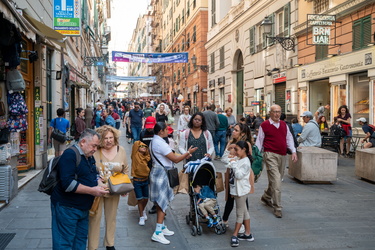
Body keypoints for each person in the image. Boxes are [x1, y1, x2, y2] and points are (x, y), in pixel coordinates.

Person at [51, 129, 109, 249]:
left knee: (80, 241)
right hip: (67, 207)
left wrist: (99, 182)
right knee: (64, 243)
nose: (95, 149)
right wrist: (93, 191)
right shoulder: (70, 154)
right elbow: (67, 184)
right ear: (82, 142)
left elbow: (93, 175)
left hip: (83, 208)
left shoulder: (89, 156)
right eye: (94, 146)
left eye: (97, 146)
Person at [149, 122, 198, 245]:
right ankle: (158, 232)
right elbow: (175, 159)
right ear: (161, 131)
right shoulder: (160, 143)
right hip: (162, 173)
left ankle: (162, 227)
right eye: (166, 130)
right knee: (162, 202)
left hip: (157, 172)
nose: (168, 132)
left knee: (161, 202)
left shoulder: (154, 141)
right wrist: (187, 153)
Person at [88, 126, 128, 250]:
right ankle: (92, 247)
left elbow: (125, 169)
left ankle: (110, 244)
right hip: (97, 191)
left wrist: (124, 187)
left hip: (114, 190)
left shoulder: (120, 150)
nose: (109, 140)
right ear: (100, 139)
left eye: (111, 138)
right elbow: (88, 169)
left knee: (111, 218)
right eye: (105, 138)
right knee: (94, 218)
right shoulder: (95, 151)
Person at [255, 105, 298, 218]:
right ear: (270, 113)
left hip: (283, 155)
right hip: (269, 155)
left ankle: (266, 197)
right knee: (277, 180)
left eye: (279, 112)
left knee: (275, 180)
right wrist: (256, 156)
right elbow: (259, 141)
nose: (277, 114)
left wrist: (293, 152)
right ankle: (277, 207)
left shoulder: (284, 125)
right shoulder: (264, 125)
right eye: (274, 112)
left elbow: (289, 139)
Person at [221, 123, 252, 229]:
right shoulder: (231, 143)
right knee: (230, 197)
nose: (233, 131)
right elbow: (225, 159)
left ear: (242, 133)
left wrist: (232, 159)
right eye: (233, 130)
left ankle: (243, 224)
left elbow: (244, 160)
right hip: (230, 174)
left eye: (236, 130)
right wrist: (229, 153)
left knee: (243, 198)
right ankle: (225, 220)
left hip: (242, 176)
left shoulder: (245, 145)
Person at [227, 141, 255, 247]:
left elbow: (238, 175)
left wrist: (233, 162)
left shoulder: (246, 162)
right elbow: (226, 161)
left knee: (240, 213)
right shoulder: (240, 159)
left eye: (237, 149)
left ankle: (235, 235)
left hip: (241, 191)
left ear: (244, 149)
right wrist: (228, 151)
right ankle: (248, 234)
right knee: (244, 212)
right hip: (238, 190)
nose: (236, 152)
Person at [131, 140, 151, 226]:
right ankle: (141, 216)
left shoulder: (146, 157)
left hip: (145, 180)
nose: (143, 148)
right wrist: (140, 142)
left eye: (145, 147)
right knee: (140, 199)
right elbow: (136, 144)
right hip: (137, 181)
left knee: (146, 198)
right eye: (141, 147)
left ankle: (143, 210)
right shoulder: (135, 155)